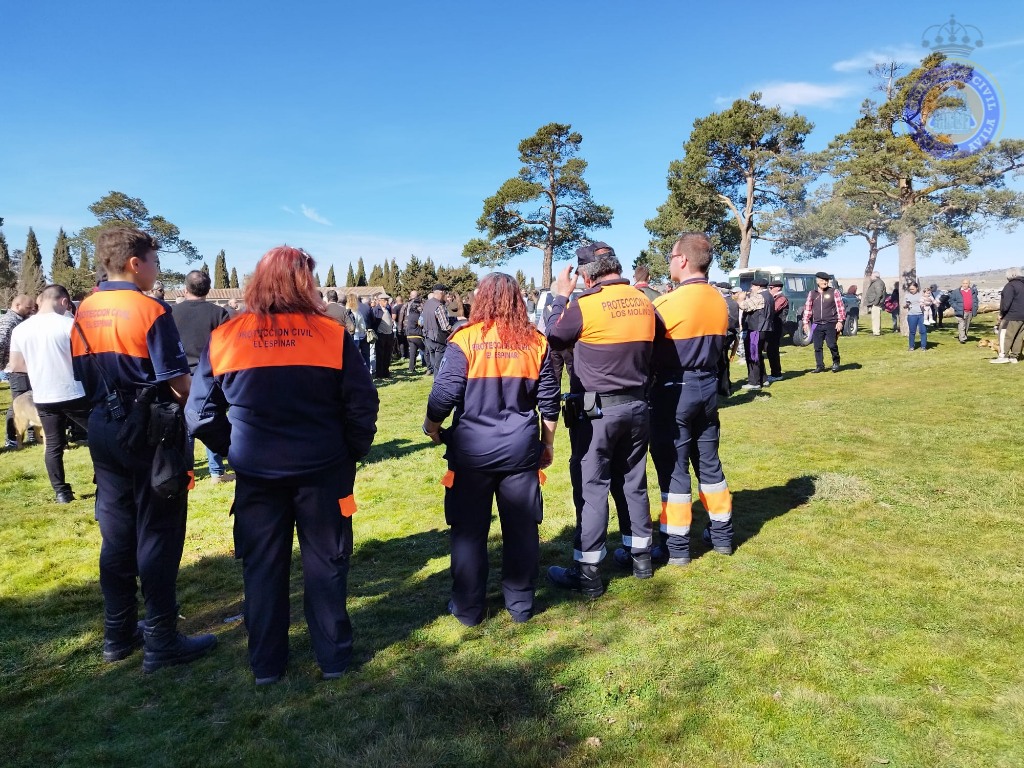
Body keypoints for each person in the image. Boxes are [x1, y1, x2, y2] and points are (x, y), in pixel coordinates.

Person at [187, 245, 379, 684]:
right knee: (327, 564)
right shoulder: (331, 335)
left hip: (257, 474)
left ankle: (267, 666)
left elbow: (199, 415)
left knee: (262, 568)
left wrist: (234, 450)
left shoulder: (228, 336)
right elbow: (361, 404)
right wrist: (352, 450)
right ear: (304, 283)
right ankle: (333, 659)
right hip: (323, 470)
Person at [70, 228, 217, 671]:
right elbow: (177, 381)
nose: (156, 268)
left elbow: (81, 375)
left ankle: (118, 634)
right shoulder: (149, 309)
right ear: (136, 262)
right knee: (158, 531)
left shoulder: (85, 309)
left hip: (102, 426)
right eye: (154, 259)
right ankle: (162, 638)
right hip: (150, 430)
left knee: (116, 533)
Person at [423, 272, 560, 625]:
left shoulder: (466, 340)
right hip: (520, 450)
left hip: (472, 452)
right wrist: (547, 443)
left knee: (468, 530)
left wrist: (432, 427)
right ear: (517, 299)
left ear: (481, 299)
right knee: (522, 528)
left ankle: (468, 608)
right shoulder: (535, 341)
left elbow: (444, 394)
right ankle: (521, 605)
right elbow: (549, 400)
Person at [545, 242, 656, 598]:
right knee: (633, 481)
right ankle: (641, 558)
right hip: (638, 405)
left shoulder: (584, 304)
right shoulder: (644, 300)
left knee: (592, 488)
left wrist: (558, 297)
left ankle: (588, 572)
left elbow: (554, 335)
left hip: (596, 409)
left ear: (584, 273)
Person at [641, 234, 733, 566]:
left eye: (669, 256)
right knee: (709, 462)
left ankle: (677, 546)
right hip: (708, 387)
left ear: (682, 260)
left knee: (674, 467)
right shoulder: (720, 300)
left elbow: (645, 351)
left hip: (673, 389)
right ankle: (722, 535)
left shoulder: (667, 305)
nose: (668, 262)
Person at [7, 285, 90, 502]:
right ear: (64, 302)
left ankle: (61, 492)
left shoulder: (21, 329)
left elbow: (15, 364)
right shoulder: (70, 324)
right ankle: (106, 482)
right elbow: (87, 359)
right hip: (73, 391)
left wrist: (38, 366)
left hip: (42, 395)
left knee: (53, 444)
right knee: (99, 437)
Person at [171, 270, 232, 482]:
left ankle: (188, 473)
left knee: (186, 427)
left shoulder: (172, 313)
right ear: (208, 288)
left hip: (178, 377)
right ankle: (216, 471)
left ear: (185, 288)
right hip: (208, 377)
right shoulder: (219, 313)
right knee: (211, 420)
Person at [2, 294, 37, 449]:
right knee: (18, 403)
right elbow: (1, 343)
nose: (31, 311)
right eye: (28, 308)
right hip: (15, 369)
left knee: (30, 402)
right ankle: (12, 438)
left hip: (26, 367)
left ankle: (32, 434)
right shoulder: (8, 321)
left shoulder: (21, 320)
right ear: (17, 305)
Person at [802, 272, 845, 373]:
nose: (824, 282)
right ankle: (820, 366)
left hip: (831, 323)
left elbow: (840, 308)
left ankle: (836, 362)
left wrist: (840, 321)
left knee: (831, 344)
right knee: (817, 346)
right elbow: (808, 308)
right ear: (817, 281)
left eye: (826, 280)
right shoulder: (812, 293)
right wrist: (805, 322)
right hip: (816, 324)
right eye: (822, 280)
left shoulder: (834, 292)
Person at [738, 278, 772, 390]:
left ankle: (754, 382)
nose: (751, 288)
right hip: (764, 329)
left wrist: (740, 299)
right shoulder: (769, 295)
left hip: (756, 329)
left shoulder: (759, 296)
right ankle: (763, 379)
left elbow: (744, 306)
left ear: (758, 287)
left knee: (752, 355)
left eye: (752, 286)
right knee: (758, 355)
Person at [991, 267, 1024, 363]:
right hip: (1022, 316)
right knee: (1018, 336)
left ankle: (1003, 356)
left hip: (1011, 316)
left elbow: (1006, 303)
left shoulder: (1010, 286)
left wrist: (1001, 313)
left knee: (1005, 335)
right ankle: (1014, 356)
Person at [421, 284, 453, 375]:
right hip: (438, 339)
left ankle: (436, 384)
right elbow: (445, 326)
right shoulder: (439, 306)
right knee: (440, 367)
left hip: (428, 338)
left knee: (435, 365)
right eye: (445, 293)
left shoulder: (427, 304)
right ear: (442, 292)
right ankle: (438, 386)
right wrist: (455, 331)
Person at [765, 279, 789, 382]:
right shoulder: (773, 297)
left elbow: (773, 309)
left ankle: (776, 374)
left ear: (778, 288)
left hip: (777, 327)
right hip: (771, 327)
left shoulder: (782, 298)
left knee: (773, 350)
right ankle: (774, 373)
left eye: (771, 288)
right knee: (769, 350)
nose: (769, 290)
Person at [400, 290, 427, 373]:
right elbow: (423, 316)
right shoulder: (419, 304)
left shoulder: (405, 305)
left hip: (408, 330)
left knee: (412, 351)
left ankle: (411, 368)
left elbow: (401, 316)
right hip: (417, 330)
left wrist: (400, 329)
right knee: (425, 350)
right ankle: (428, 365)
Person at [949, 278, 979, 344]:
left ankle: (964, 336)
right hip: (961, 311)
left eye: (966, 283)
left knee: (967, 325)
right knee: (962, 324)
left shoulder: (972, 291)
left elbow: (976, 300)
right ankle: (962, 338)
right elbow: (951, 301)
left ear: (969, 284)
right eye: (964, 283)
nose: (965, 285)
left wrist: (975, 306)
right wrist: (956, 307)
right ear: (961, 284)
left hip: (970, 311)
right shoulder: (956, 292)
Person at [372, 294, 395, 379]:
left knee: (387, 355)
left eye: (387, 300)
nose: (386, 302)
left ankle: (386, 372)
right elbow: (373, 322)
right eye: (385, 300)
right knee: (380, 355)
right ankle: (379, 374)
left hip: (389, 335)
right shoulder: (376, 310)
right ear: (380, 301)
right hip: (380, 335)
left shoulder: (388, 309)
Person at [345, 293, 371, 368]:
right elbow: (363, 326)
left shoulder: (344, 311)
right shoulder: (357, 312)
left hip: (346, 335)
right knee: (356, 356)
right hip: (356, 335)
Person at [904, 282, 928, 351]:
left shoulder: (922, 295)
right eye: (910, 289)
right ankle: (911, 346)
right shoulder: (907, 295)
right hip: (911, 315)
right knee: (912, 331)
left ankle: (923, 346)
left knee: (923, 331)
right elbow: (906, 304)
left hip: (921, 315)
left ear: (917, 288)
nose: (911, 290)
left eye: (913, 289)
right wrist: (906, 306)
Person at [863, 271, 887, 336]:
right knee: (875, 318)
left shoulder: (878, 283)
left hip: (876, 304)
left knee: (876, 318)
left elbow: (879, 294)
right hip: (875, 303)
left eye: (871, 276)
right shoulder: (876, 282)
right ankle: (876, 331)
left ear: (875, 276)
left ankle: (876, 332)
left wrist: (875, 303)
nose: (870, 277)